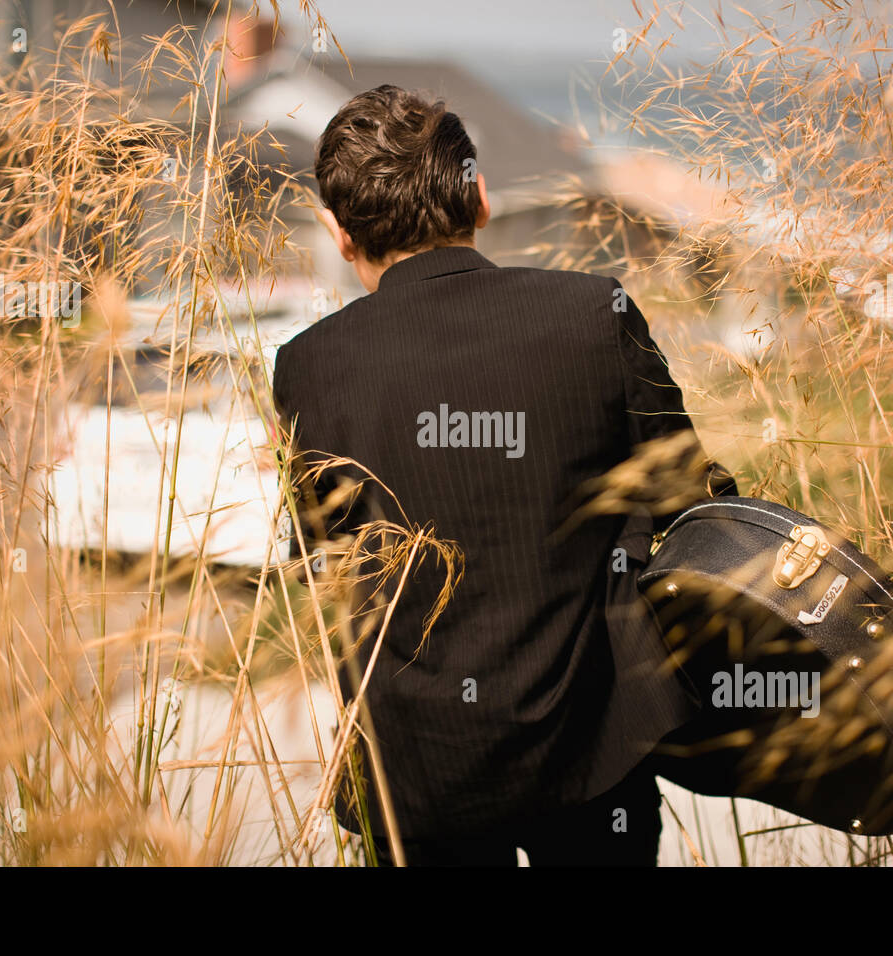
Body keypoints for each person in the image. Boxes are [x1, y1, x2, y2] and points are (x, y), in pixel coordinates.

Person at [271, 84, 735, 866]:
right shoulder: (594, 313)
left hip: (415, 778)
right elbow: (692, 504)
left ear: (338, 233)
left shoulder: (308, 366)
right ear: (479, 198)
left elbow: (325, 550)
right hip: (594, 753)